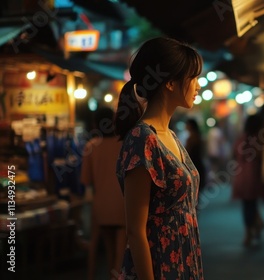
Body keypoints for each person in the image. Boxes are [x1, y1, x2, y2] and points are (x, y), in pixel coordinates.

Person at [113, 37, 204, 280]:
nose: (198, 86)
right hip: (160, 267)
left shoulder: (170, 136)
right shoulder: (142, 140)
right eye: (193, 77)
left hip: (185, 260)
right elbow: (135, 231)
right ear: (171, 83)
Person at [80, 107, 127, 280]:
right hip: (122, 206)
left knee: (108, 250)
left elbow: (86, 179)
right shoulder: (124, 144)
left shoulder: (91, 146)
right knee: (120, 253)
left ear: (94, 123)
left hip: (101, 207)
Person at [231, 114, 264, 247]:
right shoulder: (259, 139)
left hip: (241, 174)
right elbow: (263, 156)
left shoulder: (242, 138)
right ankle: (252, 230)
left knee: (248, 204)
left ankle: (254, 228)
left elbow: (234, 154)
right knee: (251, 204)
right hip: (253, 175)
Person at [185, 118, 207, 195]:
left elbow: (187, 154)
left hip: (193, 165)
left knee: (194, 193)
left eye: (187, 124)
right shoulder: (200, 137)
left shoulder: (191, 139)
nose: (185, 126)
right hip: (199, 164)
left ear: (190, 126)